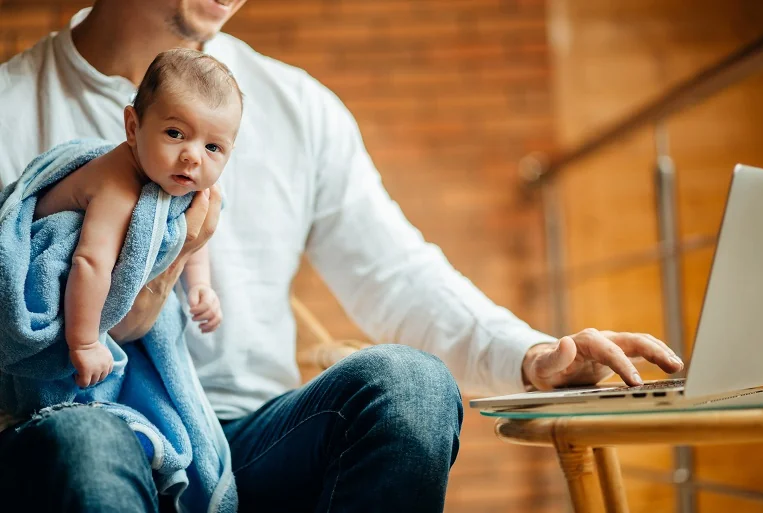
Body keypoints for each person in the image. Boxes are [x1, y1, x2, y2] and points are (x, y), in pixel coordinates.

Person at [0, 1, 685, 512]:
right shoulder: (11, 106)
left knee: (411, 384)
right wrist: (123, 307)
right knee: (86, 446)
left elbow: (396, 272)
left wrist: (534, 355)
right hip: (84, 428)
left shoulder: (296, 107)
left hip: (253, 441)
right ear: (132, 125)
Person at [25, 47, 238, 388]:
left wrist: (200, 286)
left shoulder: (181, 185)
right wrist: (85, 342)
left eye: (213, 147)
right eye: (175, 133)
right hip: (58, 283)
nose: (192, 157)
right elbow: (90, 262)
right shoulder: (117, 187)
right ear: (132, 128)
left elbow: (191, 235)